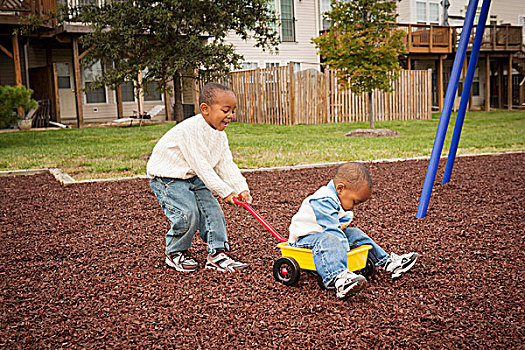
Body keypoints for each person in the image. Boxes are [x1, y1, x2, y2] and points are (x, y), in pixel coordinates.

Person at [147, 82, 251, 273]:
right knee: (188, 213)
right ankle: (175, 252)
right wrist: (225, 192)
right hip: (168, 177)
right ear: (205, 109)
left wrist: (240, 188)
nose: (230, 116)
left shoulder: (219, 135)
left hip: (193, 176)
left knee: (213, 212)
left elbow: (225, 164)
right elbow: (202, 167)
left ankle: (217, 253)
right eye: (225, 110)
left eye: (233, 111)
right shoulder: (190, 131)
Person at [288, 162, 418, 299]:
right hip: (304, 240)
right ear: (340, 189)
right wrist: (346, 250)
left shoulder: (337, 199)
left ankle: (387, 262)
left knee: (355, 233)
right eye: (355, 202)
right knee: (330, 239)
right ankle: (338, 278)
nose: (354, 207)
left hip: (323, 237)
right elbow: (332, 230)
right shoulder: (323, 200)